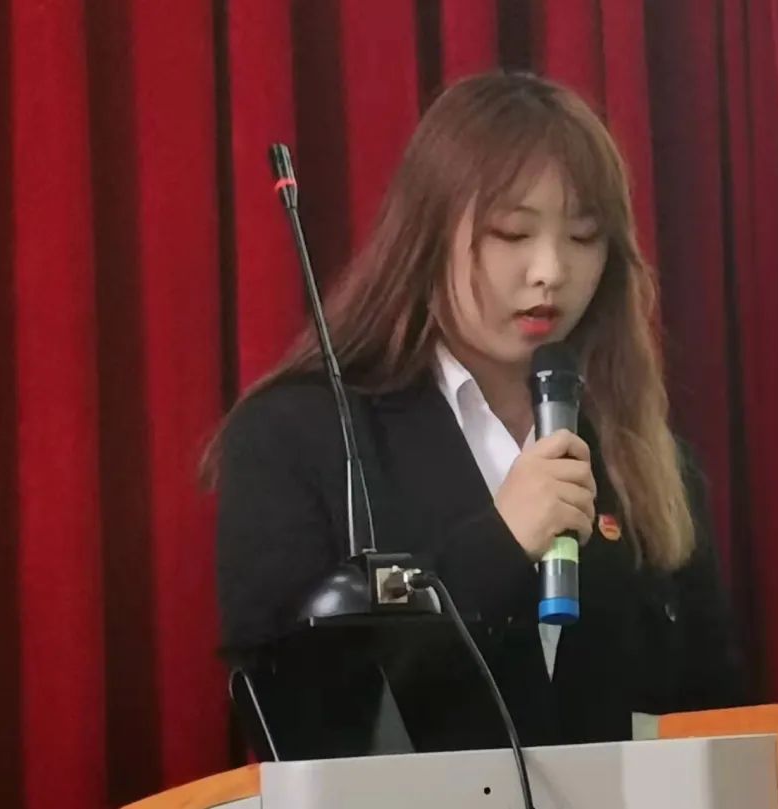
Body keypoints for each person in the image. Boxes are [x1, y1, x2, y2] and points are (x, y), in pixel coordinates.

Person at [204, 70, 745, 759]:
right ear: (428, 234)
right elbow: (290, 706)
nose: (550, 271)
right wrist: (499, 543)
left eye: (584, 237)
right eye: (511, 233)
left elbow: (717, 715)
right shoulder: (299, 435)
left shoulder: (644, 455)